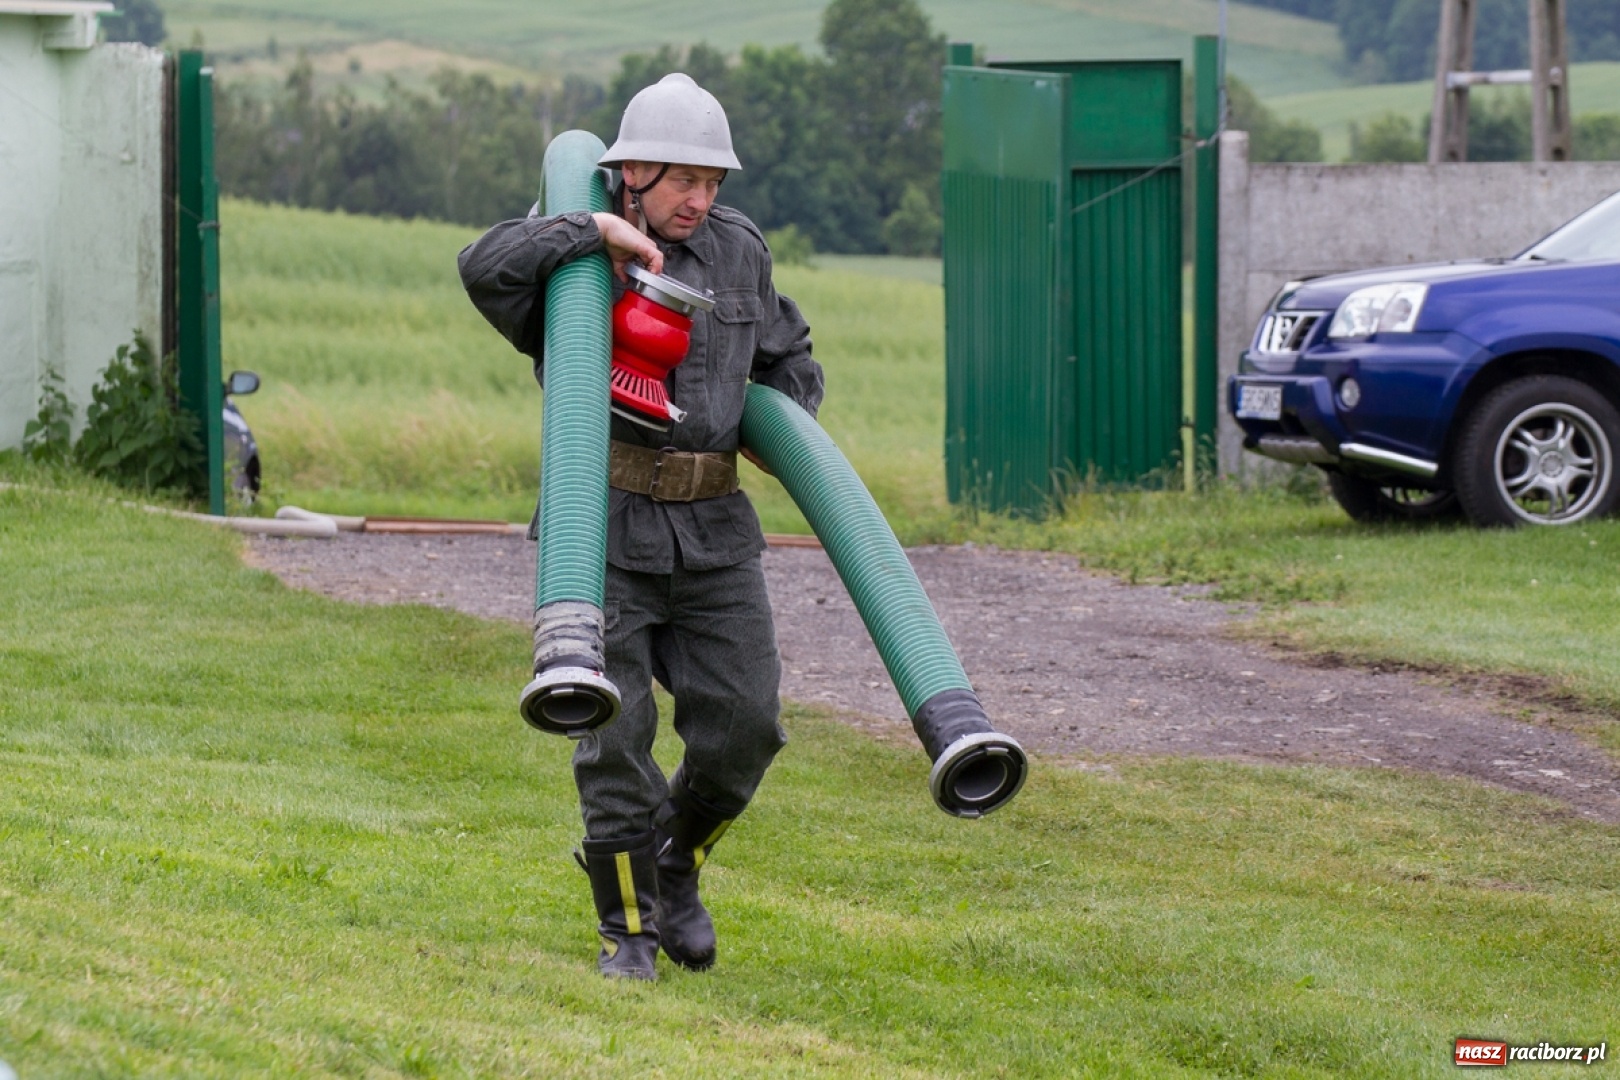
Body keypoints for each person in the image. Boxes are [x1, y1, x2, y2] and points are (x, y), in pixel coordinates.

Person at [457, 73, 824, 981]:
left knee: (747, 725)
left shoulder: (740, 253)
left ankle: (677, 862)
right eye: (683, 181)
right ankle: (628, 931)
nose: (700, 200)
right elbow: (480, 265)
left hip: (715, 530)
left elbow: (788, 356)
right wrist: (592, 234)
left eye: (714, 182)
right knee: (614, 737)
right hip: (602, 529)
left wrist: (787, 426)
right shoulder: (569, 254)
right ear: (633, 173)